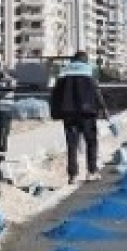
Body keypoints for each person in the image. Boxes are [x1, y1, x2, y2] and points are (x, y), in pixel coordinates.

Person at [49, 50, 108, 184]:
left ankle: (72, 175)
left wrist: (55, 112)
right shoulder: (90, 69)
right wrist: (103, 109)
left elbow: (55, 93)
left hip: (68, 112)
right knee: (91, 141)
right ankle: (92, 171)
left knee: (72, 144)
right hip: (87, 112)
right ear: (85, 60)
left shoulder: (63, 71)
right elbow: (96, 90)